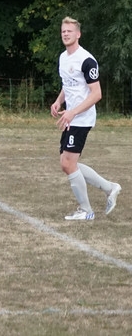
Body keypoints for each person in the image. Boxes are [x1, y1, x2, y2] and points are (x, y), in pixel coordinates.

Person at [50, 16, 121, 221]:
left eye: (69, 31)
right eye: (63, 31)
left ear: (78, 34)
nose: (65, 34)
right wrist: (59, 102)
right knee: (68, 163)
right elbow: (68, 84)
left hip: (81, 119)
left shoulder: (87, 60)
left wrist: (73, 112)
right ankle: (110, 188)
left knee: (68, 163)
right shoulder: (63, 58)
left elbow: (96, 94)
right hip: (70, 118)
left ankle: (86, 210)